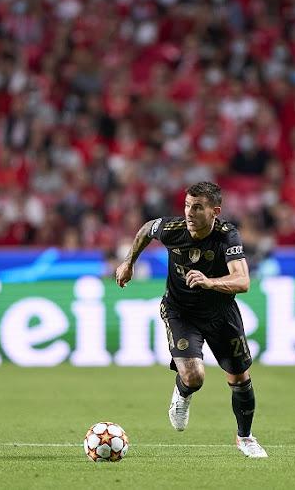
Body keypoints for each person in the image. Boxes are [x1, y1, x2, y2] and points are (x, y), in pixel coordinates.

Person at [114, 181, 267, 458]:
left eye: (197, 207)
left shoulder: (226, 236)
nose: (189, 212)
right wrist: (129, 262)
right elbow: (147, 229)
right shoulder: (173, 230)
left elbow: (243, 281)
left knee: (240, 380)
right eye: (187, 205)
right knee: (194, 376)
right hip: (180, 311)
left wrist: (209, 282)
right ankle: (183, 393)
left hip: (221, 313)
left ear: (214, 211)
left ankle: (245, 438)